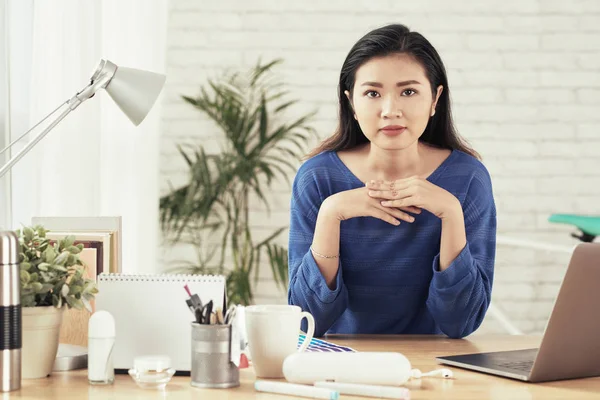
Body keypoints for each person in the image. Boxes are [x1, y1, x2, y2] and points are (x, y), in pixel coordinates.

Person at [287, 23, 497, 339]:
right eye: (372, 93)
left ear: (435, 99)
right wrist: (331, 214)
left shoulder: (468, 178)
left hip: (437, 372)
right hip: (341, 366)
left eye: (408, 91)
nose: (390, 110)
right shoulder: (317, 179)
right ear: (351, 103)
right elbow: (307, 321)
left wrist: (450, 211)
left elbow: (461, 323)